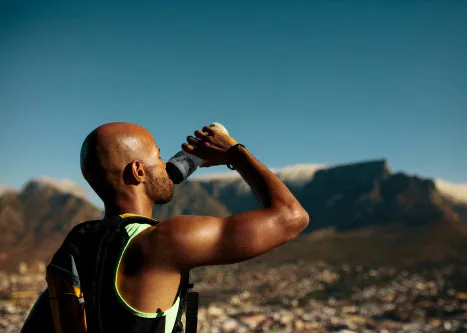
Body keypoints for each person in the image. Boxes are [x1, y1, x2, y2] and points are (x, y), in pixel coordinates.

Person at [21, 122, 310, 333]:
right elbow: (292, 217)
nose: (166, 165)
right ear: (138, 171)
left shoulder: (77, 247)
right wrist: (234, 153)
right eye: (158, 157)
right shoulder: (164, 241)